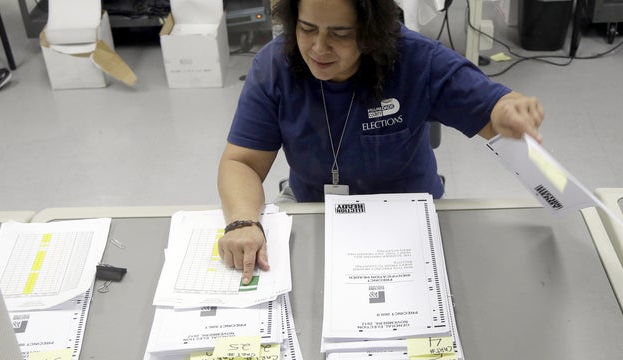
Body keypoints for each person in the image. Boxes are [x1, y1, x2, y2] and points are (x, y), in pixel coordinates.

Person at [217, 0, 544, 284]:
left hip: (406, 215)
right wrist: (243, 221)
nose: (318, 47)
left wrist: (507, 113)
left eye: (340, 33)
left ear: (371, 29)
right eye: (307, 28)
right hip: (313, 207)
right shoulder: (275, 66)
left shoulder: (418, 60)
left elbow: (493, 107)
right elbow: (241, 162)